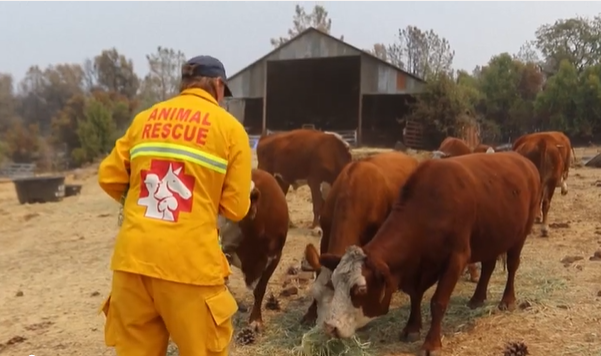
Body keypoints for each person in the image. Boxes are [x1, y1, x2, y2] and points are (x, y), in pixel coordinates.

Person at [97, 55, 253, 356]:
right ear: (218, 86)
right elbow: (236, 208)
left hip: (133, 264)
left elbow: (109, 177)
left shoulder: (144, 119)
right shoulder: (231, 130)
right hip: (190, 268)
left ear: (184, 84)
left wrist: (141, 202)